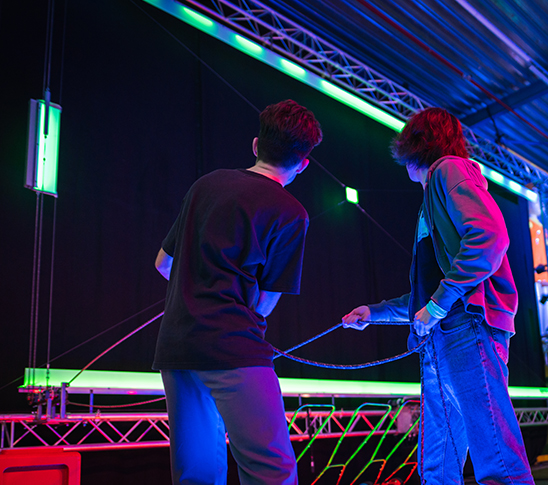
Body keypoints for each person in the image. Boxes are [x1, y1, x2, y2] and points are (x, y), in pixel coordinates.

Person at [342, 107, 534, 484]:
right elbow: (427, 296)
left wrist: (437, 305)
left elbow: (490, 239)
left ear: (414, 147)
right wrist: (375, 312)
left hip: (466, 328)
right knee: (438, 465)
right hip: (443, 337)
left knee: (494, 456)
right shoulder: (434, 195)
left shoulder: (449, 169)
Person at [153, 99, 322, 485]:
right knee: (270, 471)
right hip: (233, 348)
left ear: (255, 146)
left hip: (177, 348)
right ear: (303, 163)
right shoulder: (292, 213)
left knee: (195, 474)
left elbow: (164, 263)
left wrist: (196, 292)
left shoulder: (205, 185)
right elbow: (264, 301)